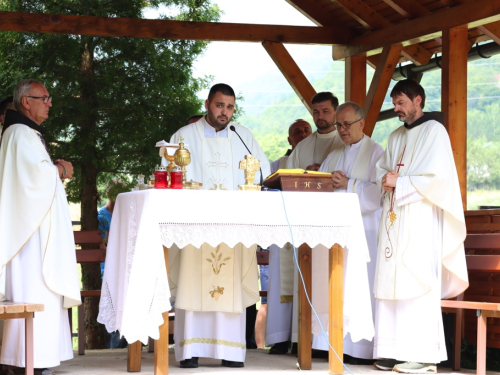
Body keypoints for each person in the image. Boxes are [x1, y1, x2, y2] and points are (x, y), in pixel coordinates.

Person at [169, 83, 271, 368]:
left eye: (229, 107)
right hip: (194, 226)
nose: (224, 112)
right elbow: (171, 176)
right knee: (192, 282)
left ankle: (230, 351)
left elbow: (264, 173)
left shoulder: (243, 136)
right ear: (207, 104)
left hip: (233, 227)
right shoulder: (184, 137)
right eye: (219, 105)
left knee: (230, 287)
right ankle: (190, 350)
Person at [373, 79, 468, 373]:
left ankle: (424, 355)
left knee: (417, 281)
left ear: (418, 100)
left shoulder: (434, 132)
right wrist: (386, 179)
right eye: (394, 102)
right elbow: (382, 171)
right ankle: (392, 349)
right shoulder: (394, 136)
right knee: (391, 282)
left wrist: (398, 182)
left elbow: (437, 178)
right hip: (393, 222)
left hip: (420, 222)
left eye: (401, 102)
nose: (396, 108)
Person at [0, 79, 80, 373]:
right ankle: (29, 360)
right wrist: (61, 170)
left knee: (42, 293)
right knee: (35, 290)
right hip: (30, 238)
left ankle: (35, 359)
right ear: (26, 102)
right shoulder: (19, 133)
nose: (49, 103)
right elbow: (35, 179)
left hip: (35, 231)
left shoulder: (25, 133)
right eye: (44, 98)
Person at [317, 101, 384, 363]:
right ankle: (331, 344)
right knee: (334, 286)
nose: (342, 130)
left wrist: (349, 183)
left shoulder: (377, 153)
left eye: (347, 124)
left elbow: (378, 193)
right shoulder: (334, 154)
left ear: (361, 123)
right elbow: (320, 185)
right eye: (339, 125)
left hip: (364, 233)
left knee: (358, 288)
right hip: (335, 232)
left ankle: (359, 349)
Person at [264, 119, 313, 354]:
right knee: (281, 283)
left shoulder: (321, 159)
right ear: (289, 139)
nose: (303, 134)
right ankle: (281, 337)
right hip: (283, 231)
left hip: (310, 229)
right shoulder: (278, 165)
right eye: (297, 132)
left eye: (306, 130)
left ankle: (304, 337)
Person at [98, 178, 128, 348]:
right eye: (116, 194)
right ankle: (115, 345)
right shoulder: (102, 217)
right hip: (106, 270)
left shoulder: (126, 216)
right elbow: (101, 248)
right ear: (108, 193)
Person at [286, 92, 343, 171]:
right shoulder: (301, 147)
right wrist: (307, 175)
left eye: (325, 111)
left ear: (336, 112)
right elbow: (289, 178)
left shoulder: (346, 142)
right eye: (316, 112)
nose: (320, 116)